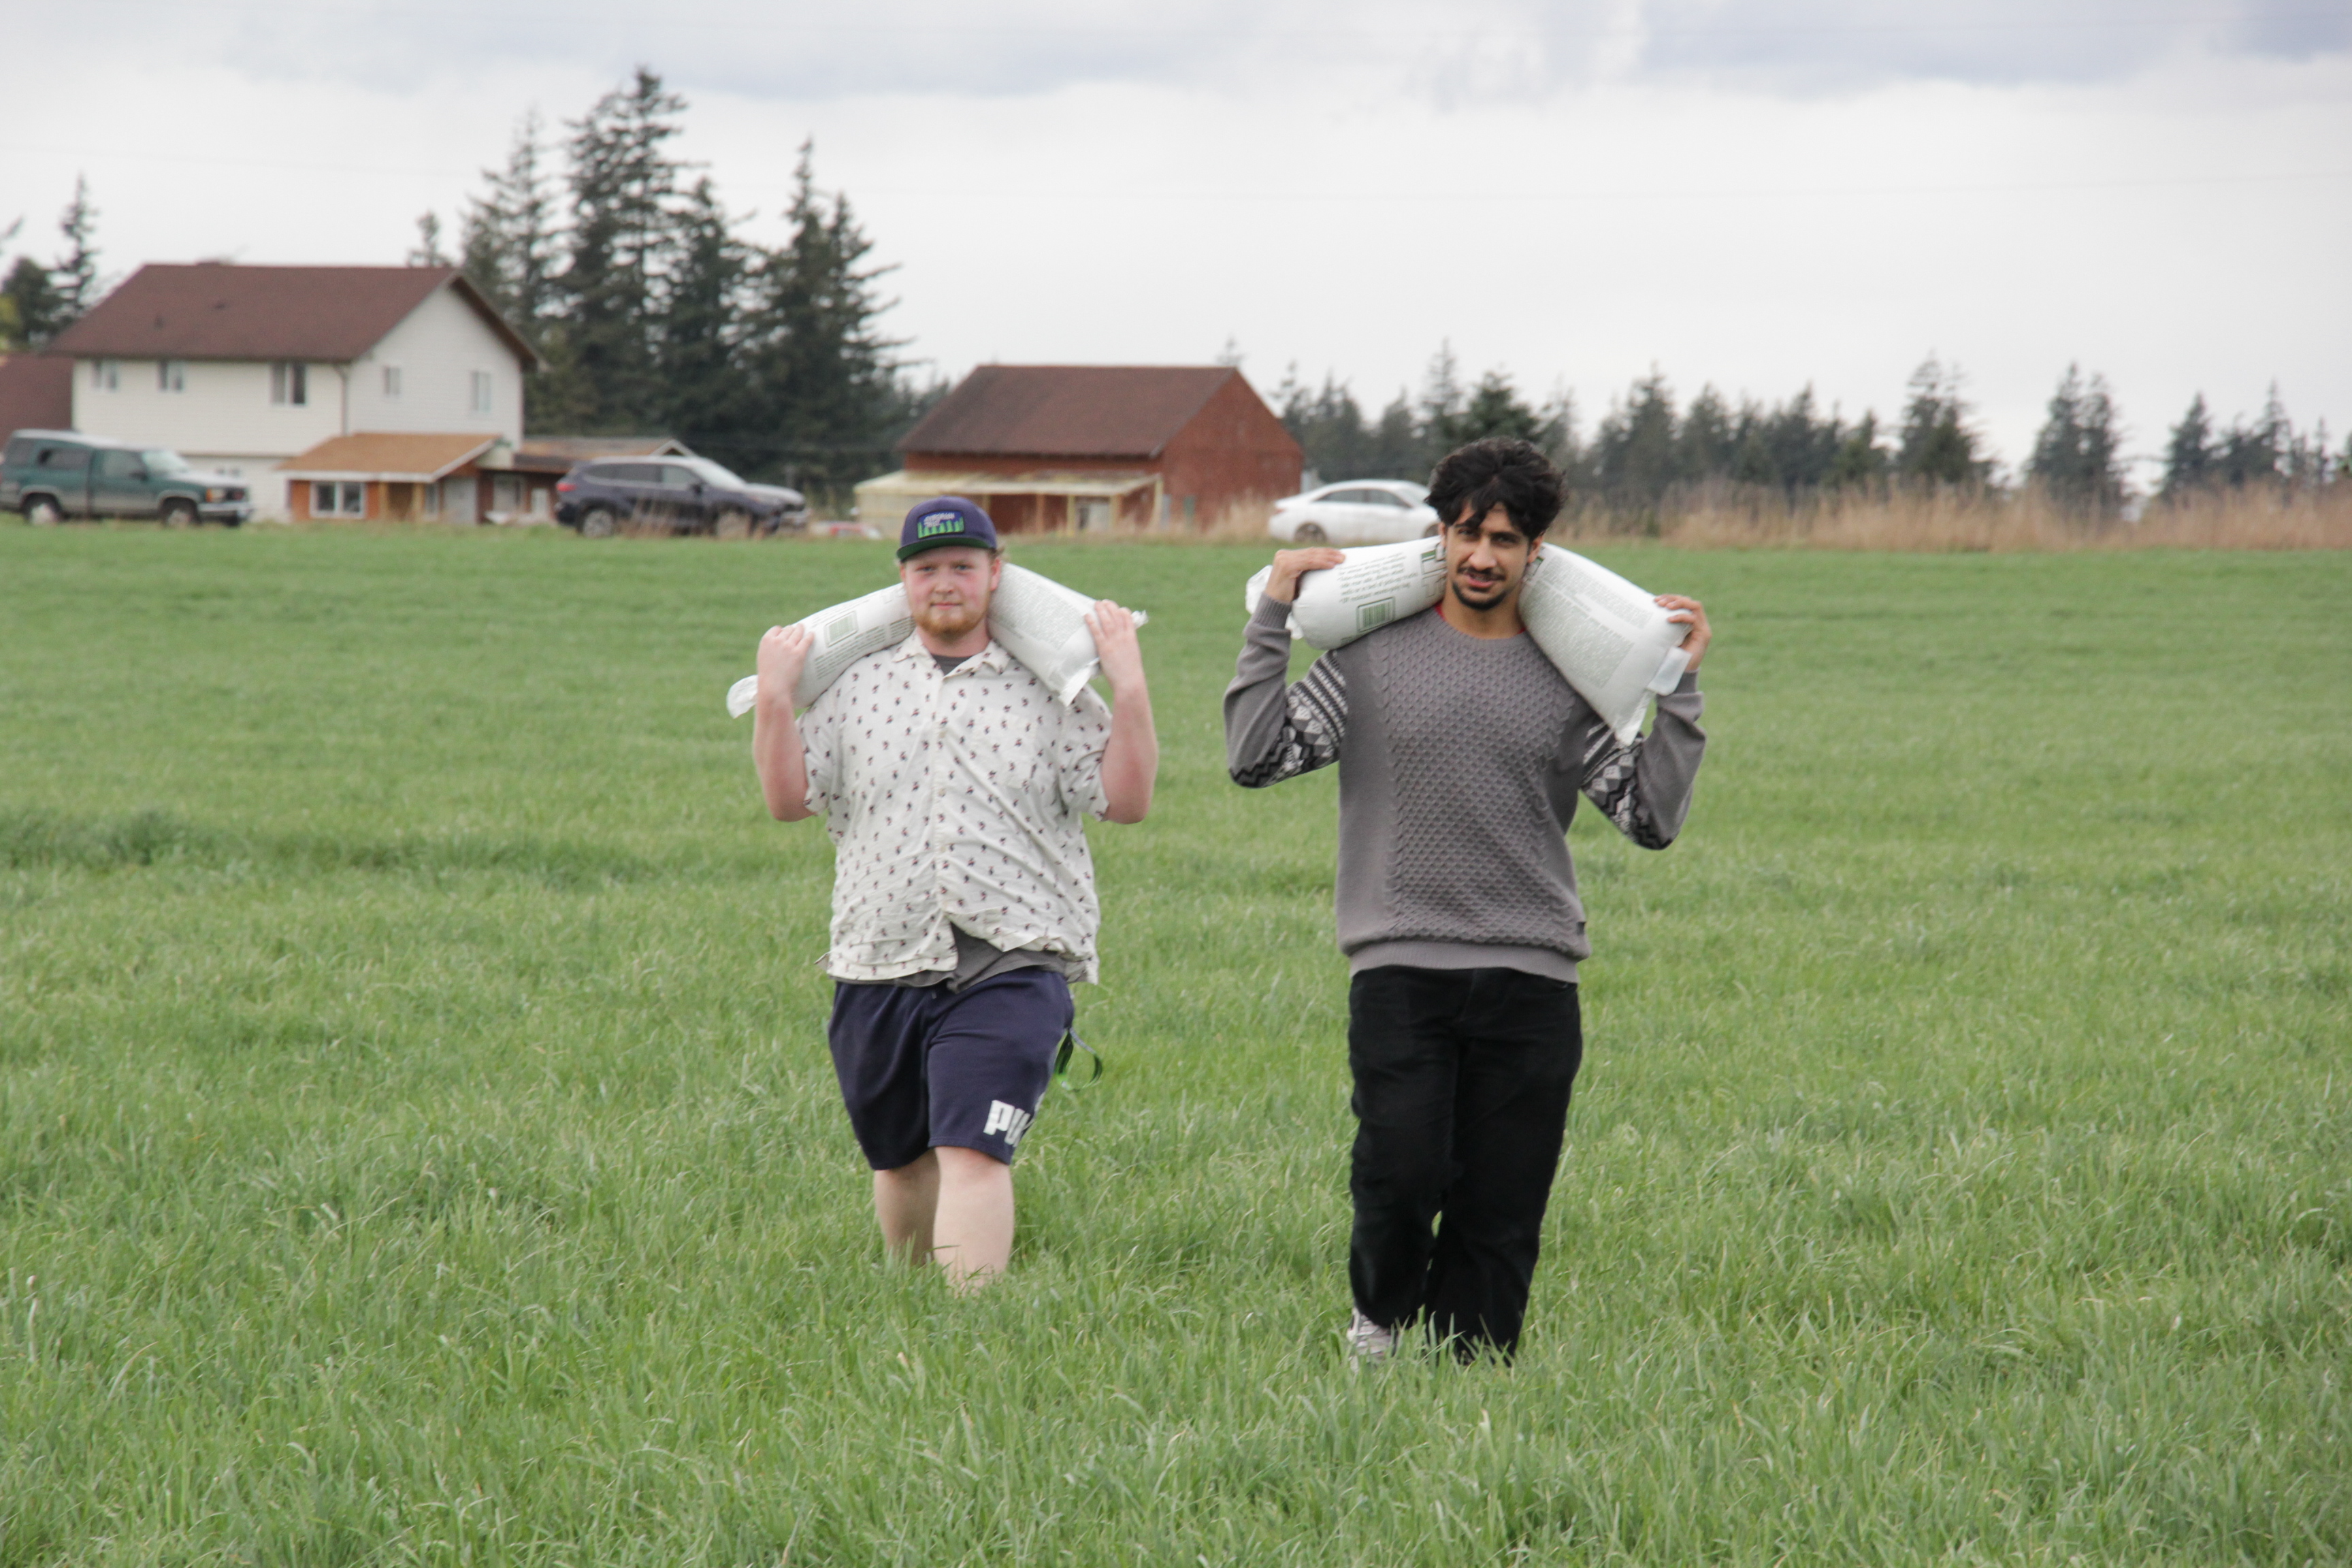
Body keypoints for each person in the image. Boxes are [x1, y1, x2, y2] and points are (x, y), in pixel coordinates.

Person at [1224, 438, 1711, 1361]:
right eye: (1466, 533)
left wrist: (1676, 687)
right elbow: (1257, 757)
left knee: (1502, 1208)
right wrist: (1272, 620)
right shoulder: (1370, 660)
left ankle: (1474, 1398)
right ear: (1438, 536)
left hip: (1533, 979)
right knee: (1398, 1174)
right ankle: (1379, 1325)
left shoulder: (1577, 680)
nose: (1482, 557)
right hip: (1401, 965)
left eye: (1506, 539)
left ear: (1538, 554)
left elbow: (1649, 818)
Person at [752, 496, 1156, 1290]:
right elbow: (787, 800)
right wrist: (772, 698)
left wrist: (1131, 685)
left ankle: (972, 1329)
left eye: (963, 567)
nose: (945, 583)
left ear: (996, 576)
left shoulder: (1055, 691)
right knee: (900, 1158)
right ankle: (911, 1306)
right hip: (879, 955)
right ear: (903, 580)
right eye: (927, 568)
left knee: (974, 1148)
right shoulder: (853, 687)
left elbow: (1128, 801)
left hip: (1014, 958)